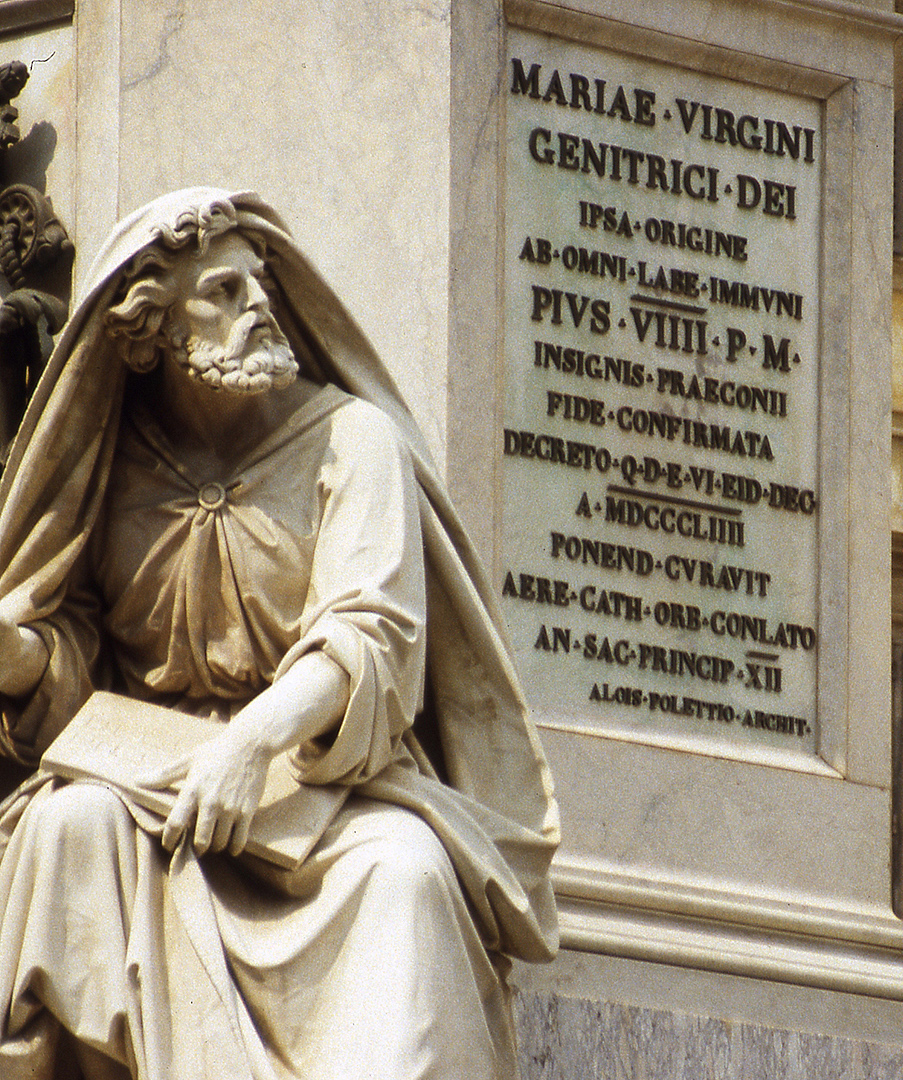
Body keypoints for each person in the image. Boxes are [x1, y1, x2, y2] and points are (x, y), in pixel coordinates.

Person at [0, 188, 561, 1080]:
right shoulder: (109, 466)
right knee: (67, 826)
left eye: (257, 285)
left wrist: (252, 745)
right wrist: (22, 655)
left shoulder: (353, 438)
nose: (259, 307)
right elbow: (85, 671)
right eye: (221, 293)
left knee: (405, 876)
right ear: (149, 329)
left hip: (323, 788)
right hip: (147, 787)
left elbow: (368, 635)